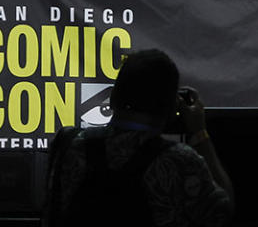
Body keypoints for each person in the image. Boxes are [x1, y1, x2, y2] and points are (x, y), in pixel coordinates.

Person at [46, 49, 233, 227]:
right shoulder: (179, 161)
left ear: (112, 98)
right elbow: (223, 212)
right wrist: (200, 133)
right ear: (169, 109)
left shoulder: (69, 145)